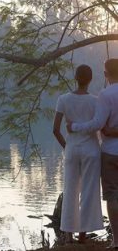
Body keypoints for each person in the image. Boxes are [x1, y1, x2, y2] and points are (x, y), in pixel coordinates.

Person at [67, 58, 118, 248]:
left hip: (110, 152)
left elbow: (97, 124)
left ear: (105, 74)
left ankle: (116, 241)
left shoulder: (105, 95)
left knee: (112, 195)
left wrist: (75, 126)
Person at [53, 64, 103, 244]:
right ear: (90, 79)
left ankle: (68, 234)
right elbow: (99, 126)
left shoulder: (63, 99)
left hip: (72, 149)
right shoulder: (96, 101)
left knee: (70, 189)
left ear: (75, 77)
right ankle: (83, 233)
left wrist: (67, 147)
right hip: (91, 149)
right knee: (89, 190)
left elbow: (56, 130)